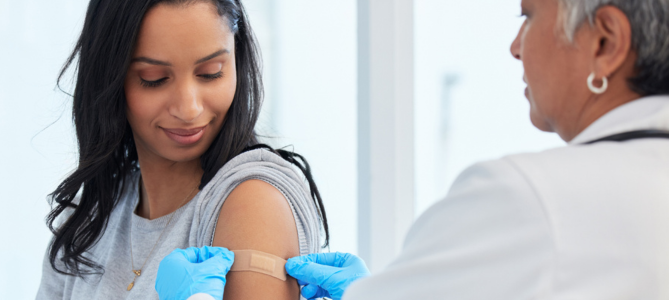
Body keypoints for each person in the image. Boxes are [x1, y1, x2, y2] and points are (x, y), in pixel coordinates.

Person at [154, 0, 669, 299]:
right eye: (154, 78)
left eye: (529, 16)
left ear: (605, 42)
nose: (516, 45)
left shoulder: (531, 199)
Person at [34, 0, 330, 299]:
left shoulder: (252, 199)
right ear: (108, 77)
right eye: (154, 79)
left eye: (211, 72)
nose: (189, 109)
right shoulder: (89, 219)